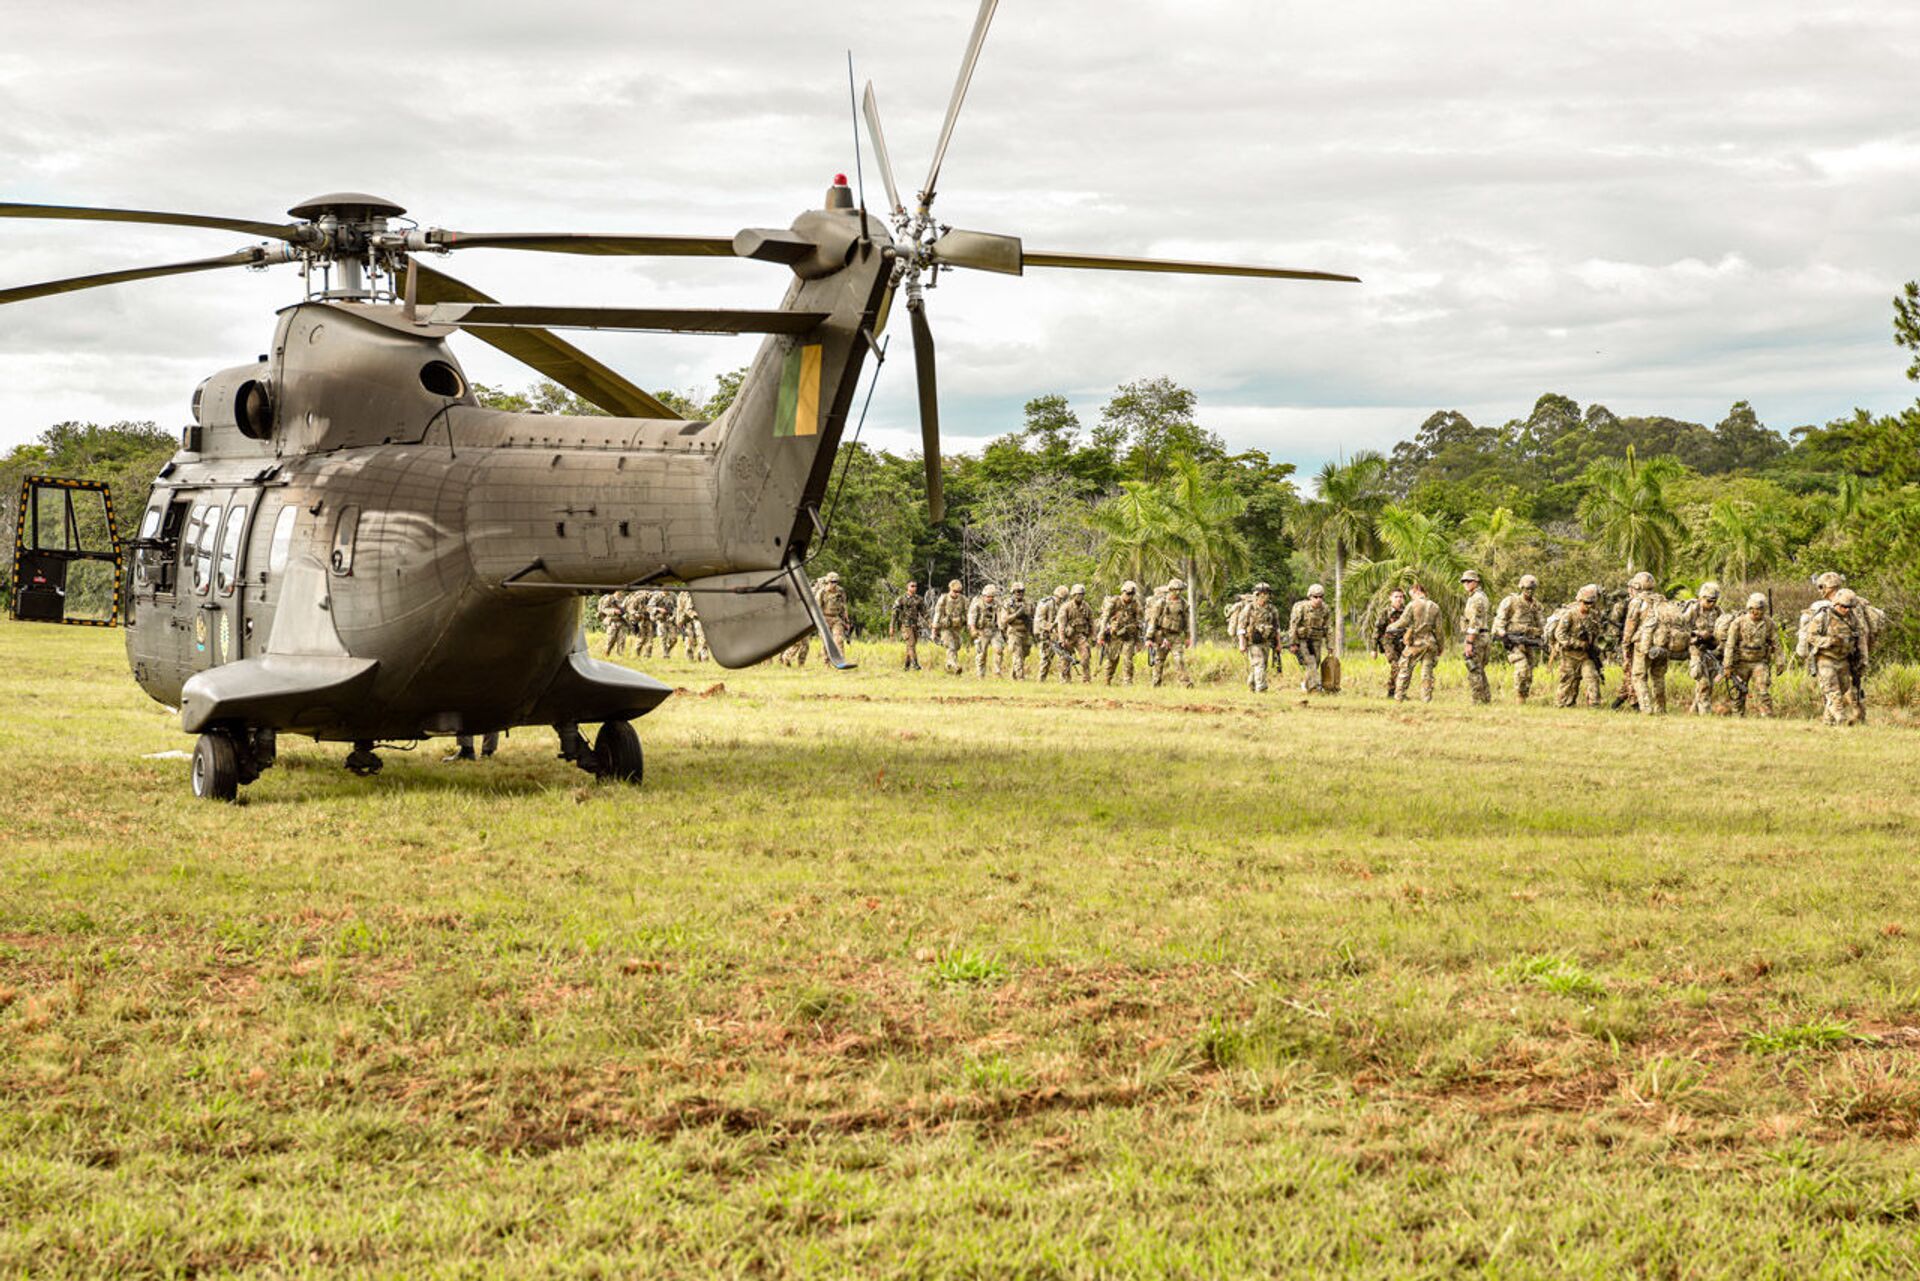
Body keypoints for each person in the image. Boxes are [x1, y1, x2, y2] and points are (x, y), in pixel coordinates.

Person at [1631, 580, 1687, 715]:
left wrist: (1627, 642)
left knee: (1639, 677)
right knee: (1658, 677)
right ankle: (1661, 709)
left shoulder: (1638, 602)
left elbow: (1630, 626)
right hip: (1663, 645)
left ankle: (1646, 709)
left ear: (1637, 587)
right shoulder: (1662, 601)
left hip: (1645, 644)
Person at [1811, 588, 1865, 725]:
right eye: (1843, 606)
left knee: (1842, 689)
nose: (1846, 610)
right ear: (1836, 603)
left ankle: (1828, 722)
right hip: (1825, 658)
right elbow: (1811, 636)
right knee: (1832, 691)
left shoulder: (1853, 620)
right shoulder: (1823, 617)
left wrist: (1863, 660)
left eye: (1849, 607)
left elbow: (1860, 638)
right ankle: (1841, 718)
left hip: (1843, 660)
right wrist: (1828, 641)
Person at [1548, 585, 1605, 708]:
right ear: (1580, 601)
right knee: (1568, 682)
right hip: (1570, 655)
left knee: (1592, 678)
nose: (1589, 606)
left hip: (1586, 656)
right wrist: (1577, 643)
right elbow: (1560, 634)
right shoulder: (1570, 615)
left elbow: (1598, 633)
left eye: (1591, 603)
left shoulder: (1594, 616)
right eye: (1586, 603)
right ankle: (1561, 705)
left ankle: (1595, 706)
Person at [1721, 591, 1777, 717]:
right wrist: (1727, 665)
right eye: (1752, 609)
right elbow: (1730, 645)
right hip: (1741, 662)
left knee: (1763, 689)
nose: (1755, 612)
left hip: (1759, 662)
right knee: (1739, 691)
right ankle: (1737, 716)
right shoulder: (1738, 622)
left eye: (1759, 610)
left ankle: (1767, 716)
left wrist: (1780, 662)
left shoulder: (1769, 623)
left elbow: (1776, 644)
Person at [1492, 574, 1545, 703]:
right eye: (1527, 588)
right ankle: (1519, 699)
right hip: (1513, 640)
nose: (1530, 591)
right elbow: (1500, 619)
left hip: (1529, 641)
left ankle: (1523, 699)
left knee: (1529, 673)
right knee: (1522, 669)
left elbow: (1542, 624)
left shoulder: (1536, 605)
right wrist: (1503, 636)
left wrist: (1544, 637)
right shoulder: (1511, 601)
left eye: (1532, 588)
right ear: (1521, 587)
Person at [1613, 571, 1656, 709]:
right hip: (1656, 643)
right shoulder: (1658, 600)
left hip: (1638, 643)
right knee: (1633, 674)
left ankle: (1638, 705)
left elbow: (1629, 628)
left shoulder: (1637, 602)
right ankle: (1620, 701)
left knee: (1635, 674)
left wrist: (1625, 645)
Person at [1392, 583, 1442, 702]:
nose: (1411, 598)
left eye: (1411, 595)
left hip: (1416, 643)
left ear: (1417, 591)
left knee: (1405, 668)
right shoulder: (1435, 607)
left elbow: (1403, 622)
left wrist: (1390, 627)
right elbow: (1439, 631)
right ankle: (1426, 699)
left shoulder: (1412, 605)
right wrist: (1441, 646)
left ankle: (1399, 697)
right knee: (1427, 673)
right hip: (1430, 643)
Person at [1681, 581, 1723, 714]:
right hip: (1696, 649)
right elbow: (1681, 628)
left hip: (1711, 651)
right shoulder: (1693, 609)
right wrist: (1698, 633)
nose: (1711, 604)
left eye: (1714, 601)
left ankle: (1693, 711)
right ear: (1701, 598)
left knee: (1709, 684)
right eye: (1709, 600)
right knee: (1703, 682)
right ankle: (1706, 714)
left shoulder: (1718, 611)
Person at [1147, 578, 1195, 688]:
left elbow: (1187, 621)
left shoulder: (1183, 604)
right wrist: (1149, 638)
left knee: (1179, 660)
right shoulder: (1161, 603)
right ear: (1170, 590)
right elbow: (1153, 621)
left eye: (1179, 590)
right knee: (1159, 661)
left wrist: (1188, 637)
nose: (1177, 593)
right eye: (1175, 590)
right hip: (1162, 635)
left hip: (1176, 637)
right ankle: (1156, 683)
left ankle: (1186, 684)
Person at [1288, 584, 1331, 693]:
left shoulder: (1325, 609)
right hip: (1303, 640)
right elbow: (1293, 625)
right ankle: (1314, 688)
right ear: (1310, 597)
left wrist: (1330, 645)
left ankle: (1305, 685)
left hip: (1316, 640)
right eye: (1315, 597)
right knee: (1311, 663)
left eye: (1321, 597)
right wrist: (1293, 643)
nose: (1318, 599)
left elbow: (1328, 628)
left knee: (1315, 664)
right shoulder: (1301, 607)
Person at [1240, 582, 1281, 692]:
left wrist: (1278, 644)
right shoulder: (1249, 608)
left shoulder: (1272, 609)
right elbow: (1241, 627)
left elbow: (1277, 628)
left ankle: (1252, 684)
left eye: (1266, 593)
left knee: (1261, 665)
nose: (1264, 596)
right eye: (1261, 593)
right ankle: (1261, 688)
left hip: (1266, 641)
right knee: (1259, 663)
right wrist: (1242, 643)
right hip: (1253, 642)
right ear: (1256, 594)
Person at [1459, 570, 1492, 704]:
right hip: (1480, 635)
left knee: (1473, 670)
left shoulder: (1477, 598)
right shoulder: (1475, 597)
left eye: (1469, 581)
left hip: (1477, 637)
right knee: (1479, 669)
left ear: (1476, 582)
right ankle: (1485, 699)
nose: (1466, 584)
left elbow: (1475, 622)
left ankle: (1478, 700)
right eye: (1464, 581)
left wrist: (1469, 642)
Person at [1103, 580, 1144, 685]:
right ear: (1123, 592)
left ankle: (1127, 681)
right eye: (1128, 594)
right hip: (1114, 636)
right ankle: (1107, 680)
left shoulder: (1135, 604)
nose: (1130, 596)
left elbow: (1140, 621)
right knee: (1112, 659)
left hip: (1128, 636)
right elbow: (1105, 618)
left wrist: (1139, 638)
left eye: (1132, 594)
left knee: (1128, 659)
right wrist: (1103, 632)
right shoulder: (1114, 602)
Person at [1058, 584, 1094, 684]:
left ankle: (1086, 679)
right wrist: (1061, 639)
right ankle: (1065, 679)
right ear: (1073, 595)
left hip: (1080, 636)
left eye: (1082, 595)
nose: (1080, 597)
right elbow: (1061, 625)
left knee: (1085, 656)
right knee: (1066, 658)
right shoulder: (1066, 607)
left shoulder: (1086, 607)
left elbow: (1091, 622)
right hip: (1068, 637)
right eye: (1078, 595)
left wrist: (1093, 636)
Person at [932, 580, 969, 675]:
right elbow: (938, 614)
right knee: (951, 646)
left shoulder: (964, 600)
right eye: (954, 591)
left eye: (958, 592)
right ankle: (955, 666)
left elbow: (968, 614)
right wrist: (934, 630)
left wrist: (970, 627)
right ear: (950, 589)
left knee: (957, 646)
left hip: (957, 628)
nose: (956, 594)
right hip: (945, 628)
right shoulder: (944, 599)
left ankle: (948, 666)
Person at [999, 582, 1035, 680]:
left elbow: (1033, 617)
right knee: (1017, 654)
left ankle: (1014, 674)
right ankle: (1020, 677)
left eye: (1022, 591)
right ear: (1013, 592)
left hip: (1025, 632)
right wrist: (1016, 614)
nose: (1020, 593)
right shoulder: (1008, 604)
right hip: (1014, 632)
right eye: (1017, 591)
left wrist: (1034, 632)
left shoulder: (1029, 603)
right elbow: (1004, 619)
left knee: (1024, 654)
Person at [890, 580, 927, 671]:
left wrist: (931, 623)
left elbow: (924, 613)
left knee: (910, 646)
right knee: (911, 644)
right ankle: (916, 665)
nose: (914, 588)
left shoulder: (919, 599)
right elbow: (894, 614)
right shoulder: (901, 599)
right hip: (905, 626)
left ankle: (906, 666)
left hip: (915, 626)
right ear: (907, 587)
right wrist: (891, 627)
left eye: (915, 586)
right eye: (912, 586)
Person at [968, 584, 1003, 678]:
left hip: (995, 630)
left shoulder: (997, 603)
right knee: (982, 654)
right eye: (988, 596)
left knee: (998, 650)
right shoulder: (977, 603)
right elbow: (972, 617)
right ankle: (980, 675)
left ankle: (997, 672)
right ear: (983, 596)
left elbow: (1001, 616)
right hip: (981, 631)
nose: (990, 598)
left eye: (992, 596)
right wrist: (973, 629)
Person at [1374, 588, 1408, 682]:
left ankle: (1399, 691)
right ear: (1390, 598)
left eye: (1401, 597)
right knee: (1395, 664)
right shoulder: (1385, 612)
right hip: (1388, 642)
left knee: (1404, 667)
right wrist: (1374, 649)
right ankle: (1393, 691)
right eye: (1396, 597)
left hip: (1403, 642)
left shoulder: (1406, 611)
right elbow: (1377, 630)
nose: (1398, 599)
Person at [1034, 586, 1065, 682]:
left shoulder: (1063, 605)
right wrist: (1050, 627)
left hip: (1057, 634)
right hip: (1045, 634)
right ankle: (1041, 679)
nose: (1061, 600)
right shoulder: (1045, 604)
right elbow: (1039, 621)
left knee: (1062, 656)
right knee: (1045, 658)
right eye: (1060, 598)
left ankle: (1063, 679)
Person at [818, 571, 851, 648]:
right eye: (832, 582)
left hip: (836, 618)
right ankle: (826, 660)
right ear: (828, 581)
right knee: (826, 643)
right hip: (825, 618)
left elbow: (844, 605)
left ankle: (840, 659)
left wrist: (847, 620)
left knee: (839, 640)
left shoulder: (840, 591)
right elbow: (818, 608)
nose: (834, 584)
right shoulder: (822, 592)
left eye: (836, 582)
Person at [598, 591, 629, 656]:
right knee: (610, 639)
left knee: (622, 639)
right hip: (612, 622)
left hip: (622, 621)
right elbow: (604, 609)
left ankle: (620, 655)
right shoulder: (609, 598)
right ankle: (606, 653)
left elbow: (627, 608)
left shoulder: (625, 598)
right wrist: (614, 611)